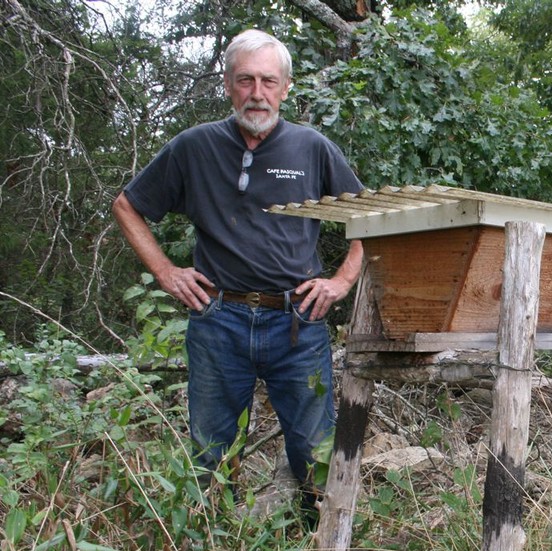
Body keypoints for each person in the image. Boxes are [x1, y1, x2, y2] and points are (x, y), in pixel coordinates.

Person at [112, 28, 364, 517]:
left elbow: (370, 222)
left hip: (298, 322)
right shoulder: (194, 147)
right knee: (211, 451)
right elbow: (127, 206)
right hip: (218, 319)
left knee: (315, 449)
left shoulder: (312, 148)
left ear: (286, 88)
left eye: (269, 81)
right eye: (245, 80)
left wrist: (342, 282)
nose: (257, 93)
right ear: (228, 84)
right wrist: (166, 272)